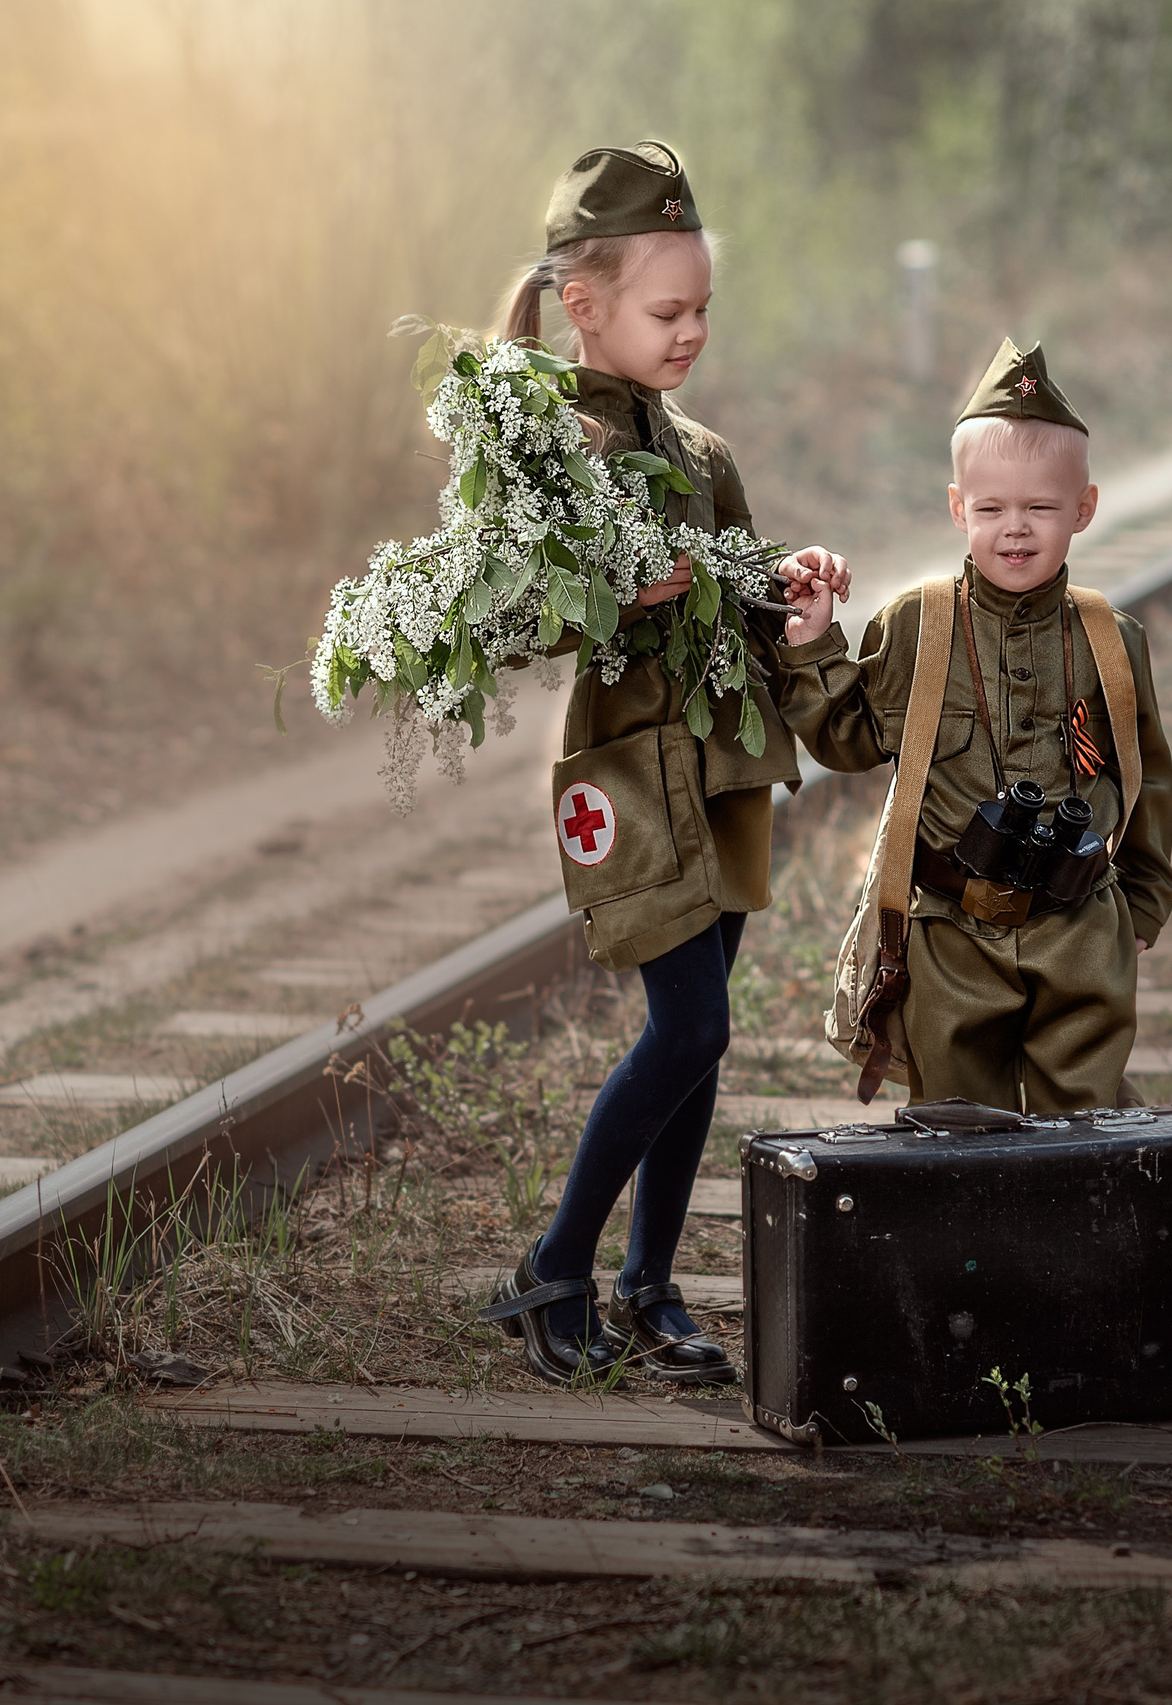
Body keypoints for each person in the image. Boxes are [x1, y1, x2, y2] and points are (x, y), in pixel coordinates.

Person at [477, 141, 850, 1385]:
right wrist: (609, 591)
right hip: (635, 775)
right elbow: (507, 616)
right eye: (666, 311)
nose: (691, 332)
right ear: (582, 304)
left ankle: (647, 1282)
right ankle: (558, 1266)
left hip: (727, 762)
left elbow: (738, 592)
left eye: (702, 310)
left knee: (705, 1039)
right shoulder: (542, 447)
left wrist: (789, 587)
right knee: (688, 1023)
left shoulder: (698, 450)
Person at [774, 338, 1172, 1111]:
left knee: (1083, 1119)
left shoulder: (1110, 641)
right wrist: (812, 644)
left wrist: (1145, 902)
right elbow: (849, 738)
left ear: (1083, 509)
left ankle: (1080, 1229)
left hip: (1081, 925)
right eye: (990, 508)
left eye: (1041, 508)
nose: (1014, 529)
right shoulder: (917, 625)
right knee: (958, 1123)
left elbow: (1144, 772)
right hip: (951, 935)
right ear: (959, 507)